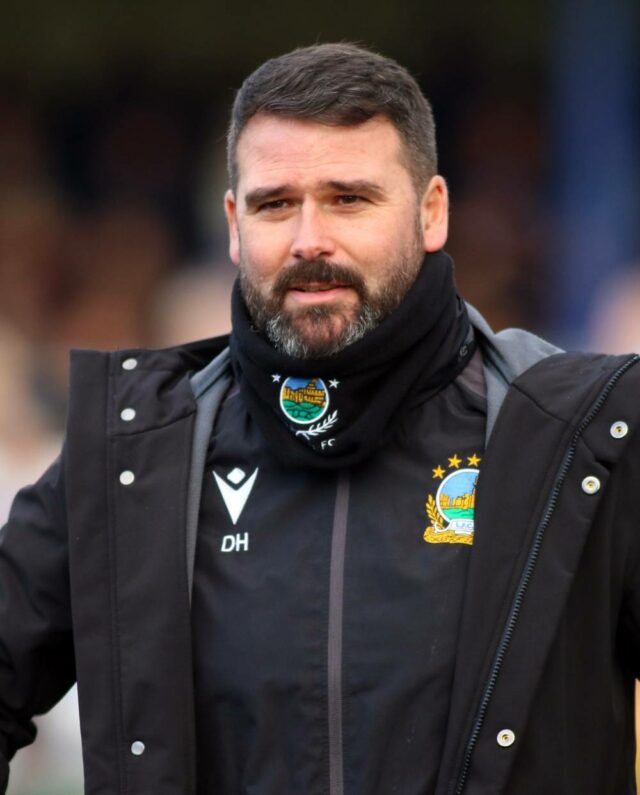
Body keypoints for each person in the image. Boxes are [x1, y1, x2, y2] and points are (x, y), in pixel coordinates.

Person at [0, 42, 639, 795]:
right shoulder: (134, 451)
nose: (310, 240)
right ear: (234, 224)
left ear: (431, 212)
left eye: (348, 199)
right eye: (275, 204)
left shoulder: (581, 433)